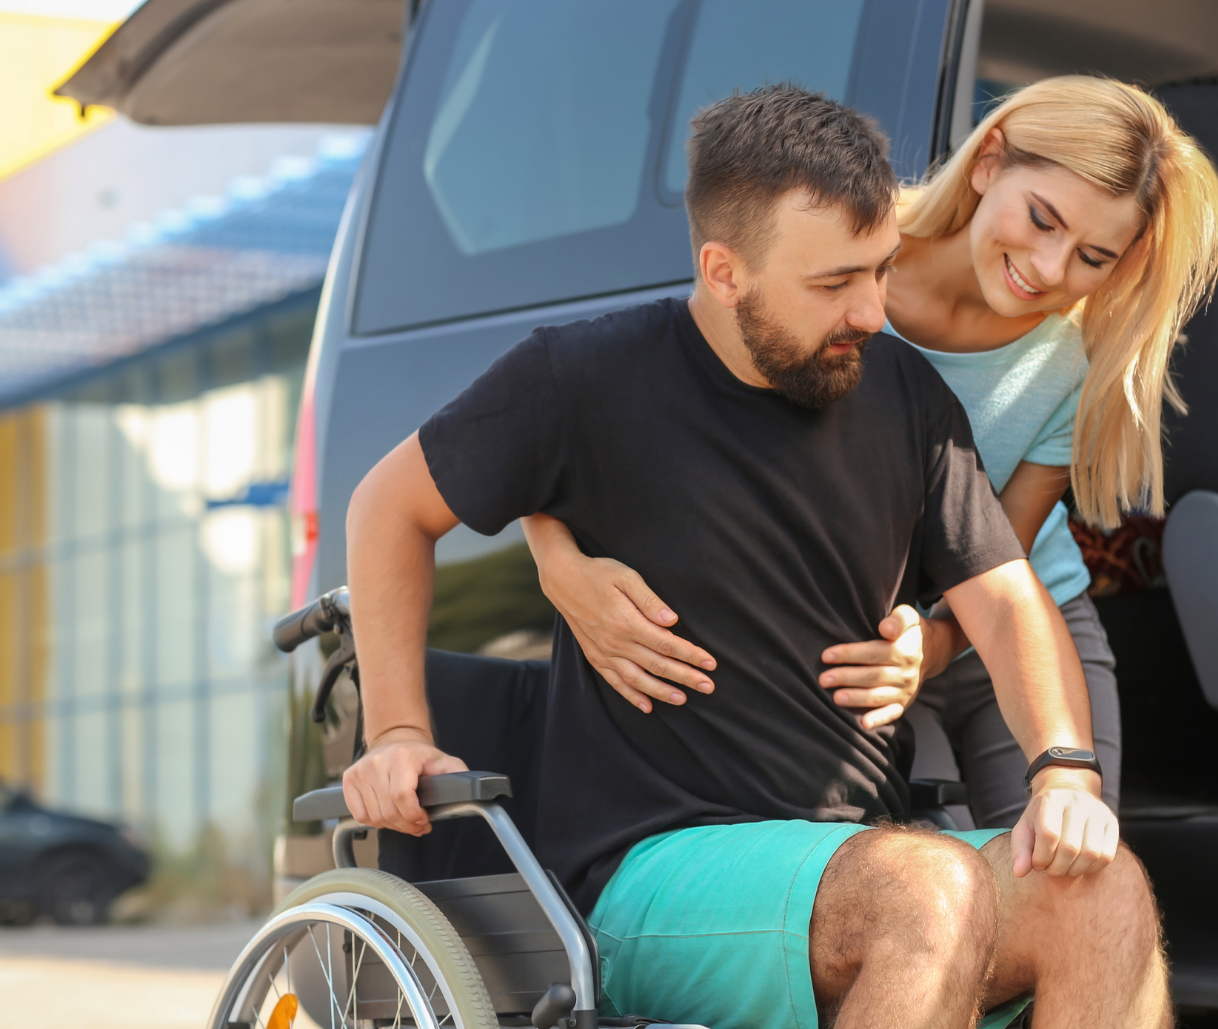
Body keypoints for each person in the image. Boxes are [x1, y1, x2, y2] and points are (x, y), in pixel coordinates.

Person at [341, 84, 1168, 1029]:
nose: (871, 310)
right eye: (833, 285)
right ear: (724, 272)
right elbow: (387, 509)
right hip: (656, 870)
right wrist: (397, 732)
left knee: (1105, 893)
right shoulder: (579, 378)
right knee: (927, 893)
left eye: (880, 271)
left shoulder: (907, 397)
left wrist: (1066, 774)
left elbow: (1011, 604)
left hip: (857, 858)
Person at [522, 76, 1218, 820]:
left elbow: (1000, 567)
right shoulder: (830, 253)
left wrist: (936, 647)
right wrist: (555, 560)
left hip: (1007, 626)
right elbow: (617, 407)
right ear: (989, 161)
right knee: (912, 891)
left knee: (1071, 869)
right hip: (847, 642)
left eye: (1093, 256)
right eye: (1042, 219)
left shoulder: (1078, 355)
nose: (1051, 271)